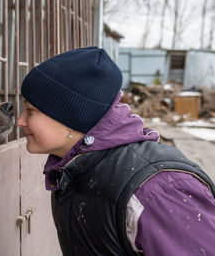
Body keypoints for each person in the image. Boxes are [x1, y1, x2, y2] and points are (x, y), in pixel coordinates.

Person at [16, 46, 215, 255]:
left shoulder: (156, 189)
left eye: (31, 111)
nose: (20, 121)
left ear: (70, 117)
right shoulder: (73, 169)